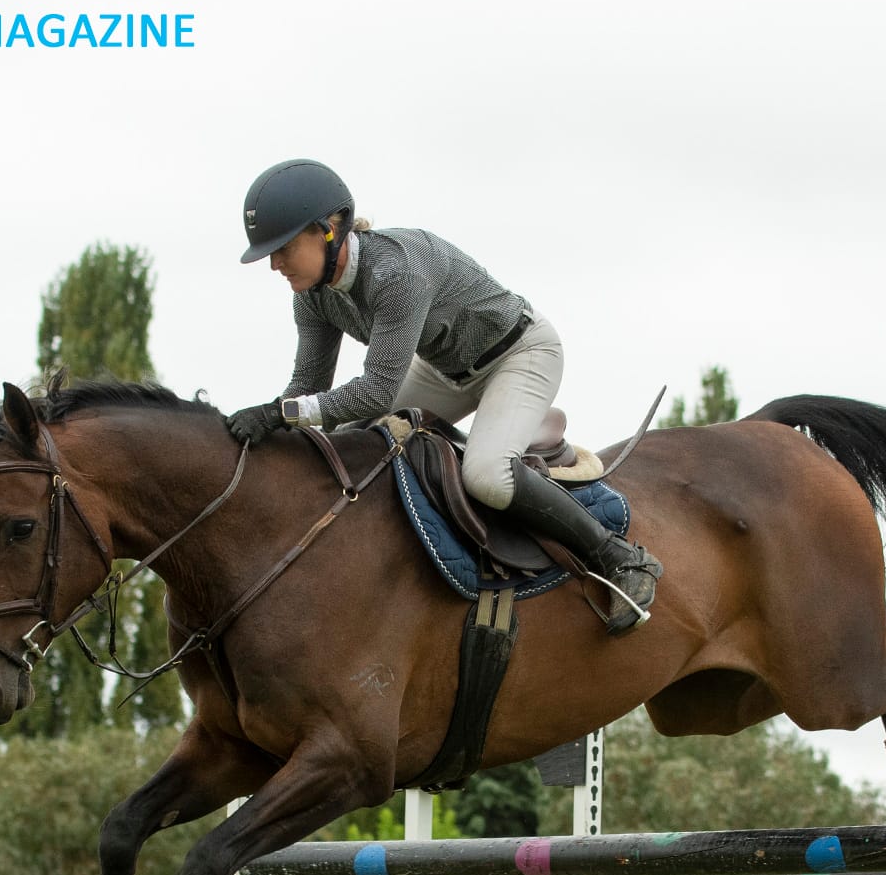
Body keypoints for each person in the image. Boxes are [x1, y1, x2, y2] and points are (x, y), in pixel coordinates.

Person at [225, 159, 661, 634]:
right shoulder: (312, 294)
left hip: (519, 353)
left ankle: (619, 558)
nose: (273, 264)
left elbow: (375, 392)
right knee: (353, 443)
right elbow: (309, 386)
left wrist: (282, 414)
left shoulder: (393, 272)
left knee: (487, 476)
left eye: (283, 248)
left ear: (327, 230)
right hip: (442, 368)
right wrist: (269, 423)